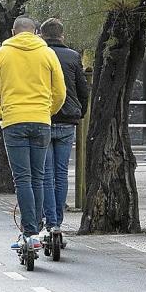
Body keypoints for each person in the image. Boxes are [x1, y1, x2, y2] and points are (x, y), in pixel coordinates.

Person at [0, 16, 66, 250]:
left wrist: (0, 112)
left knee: (22, 179)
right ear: (36, 32)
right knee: (38, 178)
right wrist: (46, 111)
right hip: (41, 121)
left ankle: (29, 232)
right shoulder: (47, 53)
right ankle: (37, 230)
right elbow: (60, 91)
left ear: (13, 31)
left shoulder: (2, 53)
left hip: (14, 122)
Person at [39, 18, 88, 240]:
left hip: (44, 118)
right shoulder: (73, 56)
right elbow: (82, 89)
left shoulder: (38, 55)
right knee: (61, 174)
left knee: (46, 175)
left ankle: (51, 222)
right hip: (68, 120)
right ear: (62, 36)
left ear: (41, 35)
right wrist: (81, 111)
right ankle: (57, 222)